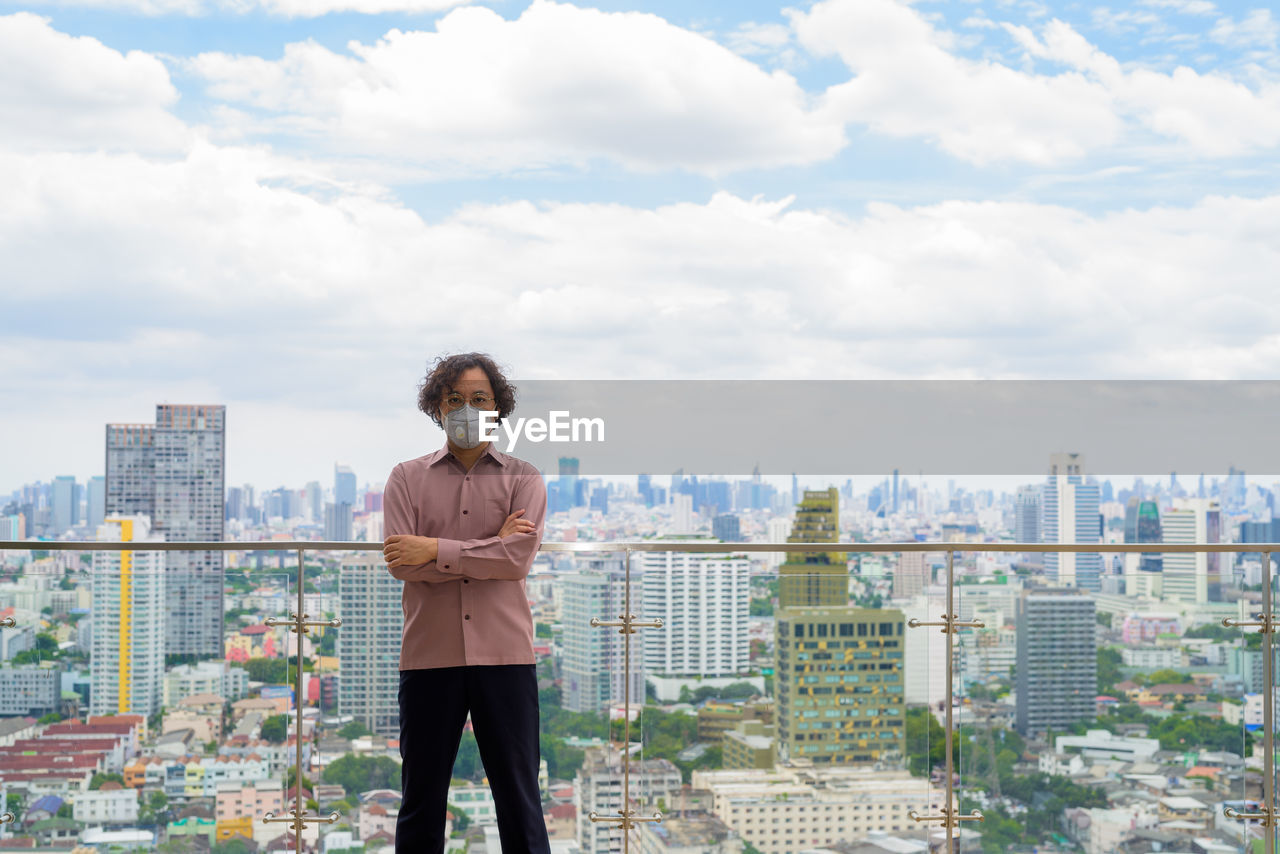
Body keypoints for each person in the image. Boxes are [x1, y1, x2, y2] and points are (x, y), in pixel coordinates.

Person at [382, 352, 551, 854]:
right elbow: (401, 563)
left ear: (498, 408)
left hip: (506, 657)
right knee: (421, 802)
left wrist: (435, 549)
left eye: (479, 399)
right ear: (436, 407)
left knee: (520, 800)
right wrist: (487, 549)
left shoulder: (524, 477)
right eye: (454, 399)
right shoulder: (406, 478)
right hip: (430, 656)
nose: (466, 409)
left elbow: (517, 559)